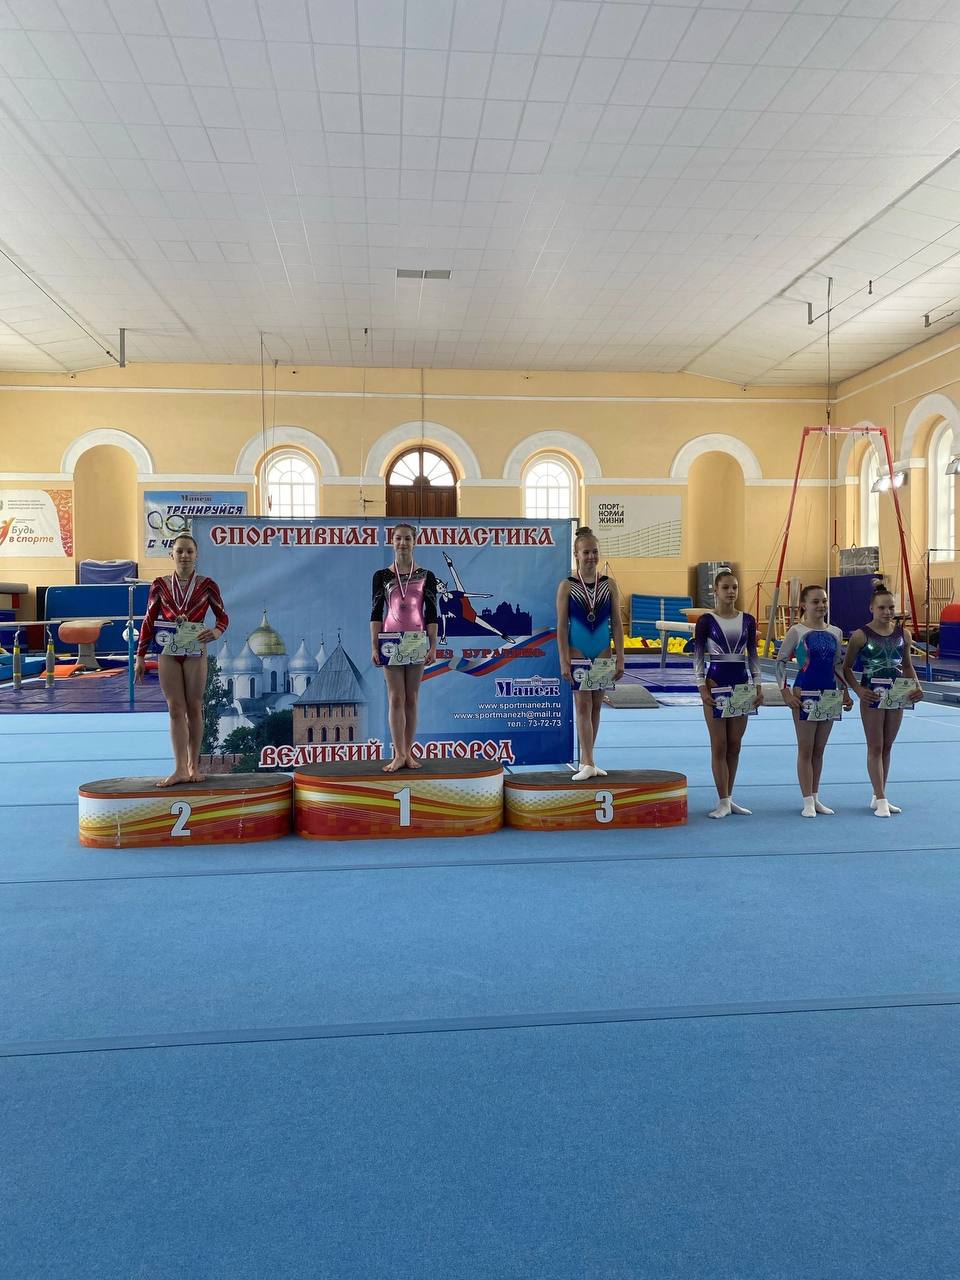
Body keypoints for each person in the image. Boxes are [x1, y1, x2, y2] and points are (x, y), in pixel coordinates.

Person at [134, 533, 228, 788]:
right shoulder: (160, 585)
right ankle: (179, 769)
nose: (184, 556)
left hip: (195, 650)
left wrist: (217, 631)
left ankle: (193, 765)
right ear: (171, 555)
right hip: (167, 651)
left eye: (189, 551)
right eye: (180, 551)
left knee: (194, 706)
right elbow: (148, 620)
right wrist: (140, 656)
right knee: (175, 708)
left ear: (197, 555)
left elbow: (223, 617)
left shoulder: (207, 585)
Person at [843, 584, 923, 817]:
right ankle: (881, 799)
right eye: (882, 608)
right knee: (875, 746)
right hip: (872, 694)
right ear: (871, 608)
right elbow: (846, 668)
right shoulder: (860, 635)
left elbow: (907, 665)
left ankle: (879, 794)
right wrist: (858, 690)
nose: (887, 612)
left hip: (897, 694)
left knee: (887, 746)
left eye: (891, 608)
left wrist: (917, 686)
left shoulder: (903, 634)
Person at [776, 585, 853, 817]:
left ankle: (816, 797)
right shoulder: (797, 631)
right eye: (815, 601)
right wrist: (785, 692)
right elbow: (780, 661)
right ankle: (807, 800)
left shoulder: (836, 632)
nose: (821, 605)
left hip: (829, 694)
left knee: (819, 750)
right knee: (806, 748)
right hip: (804, 693)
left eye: (824, 601)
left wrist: (845, 691)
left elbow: (837, 665)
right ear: (804, 605)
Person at [556, 526, 625, 782]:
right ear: (576, 554)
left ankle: (588, 759)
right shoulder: (567, 586)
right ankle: (588, 761)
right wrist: (563, 659)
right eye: (586, 552)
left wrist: (621, 656)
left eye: (594, 552)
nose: (591, 557)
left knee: (596, 706)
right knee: (583, 705)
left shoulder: (609, 585)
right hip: (578, 651)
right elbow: (562, 626)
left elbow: (616, 623)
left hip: (603, 652)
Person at [694, 569, 764, 819]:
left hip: (741, 685)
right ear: (716, 590)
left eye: (734, 587)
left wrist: (758, 685)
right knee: (719, 745)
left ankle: (729, 798)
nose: (731, 592)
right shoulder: (706, 621)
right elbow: (698, 656)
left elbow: (753, 655)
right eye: (725, 587)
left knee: (735, 745)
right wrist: (701, 687)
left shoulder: (748, 620)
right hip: (715, 684)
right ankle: (722, 800)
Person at [370, 522, 439, 772]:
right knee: (395, 697)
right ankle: (398, 754)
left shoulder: (427, 575)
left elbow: (432, 613)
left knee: (412, 698)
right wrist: (375, 646)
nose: (403, 543)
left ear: (415, 542)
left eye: (408, 538)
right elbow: (376, 612)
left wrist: (433, 645)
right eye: (398, 538)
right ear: (392, 542)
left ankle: (408, 753)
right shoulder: (381, 576)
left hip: (417, 639)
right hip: (389, 639)